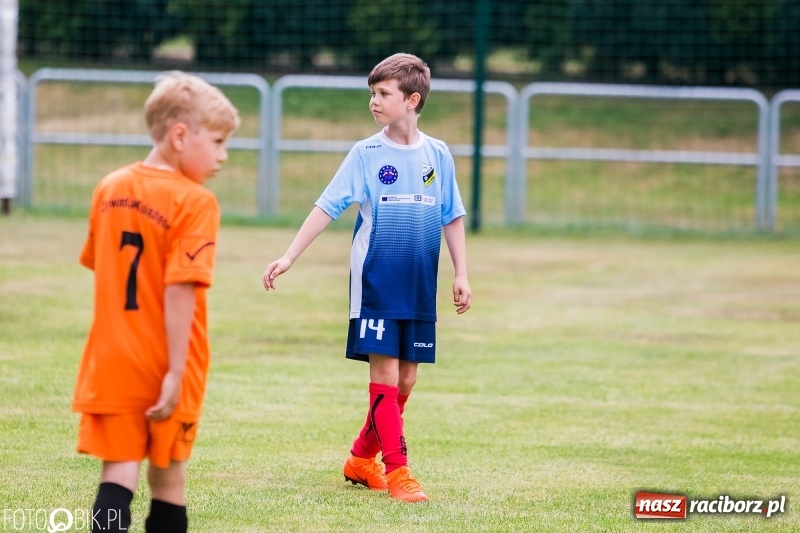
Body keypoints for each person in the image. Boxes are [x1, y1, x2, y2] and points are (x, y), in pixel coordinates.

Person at [262, 53, 472, 503]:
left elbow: (451, 214)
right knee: (386, 373)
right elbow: (327, 205)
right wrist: (289, 256)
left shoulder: (438, 154)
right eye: (372, 94)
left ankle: (360, 458)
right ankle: (399, 473)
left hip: (419, 283)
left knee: (407, 381)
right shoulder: (366, 154)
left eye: (383, 94)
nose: (374, 102)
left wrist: (462, 273)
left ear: (412, 100)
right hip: (376, 282)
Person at [72, 71, 240, 532]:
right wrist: (174, 371)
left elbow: (102, 266)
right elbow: (180, 288)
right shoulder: (195, 201)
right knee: (168, 480)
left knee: (118, 471)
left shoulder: (109, 187)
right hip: (167, 361)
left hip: (111, 359)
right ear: (180, 135)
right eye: (219, 141)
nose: (223, 156)